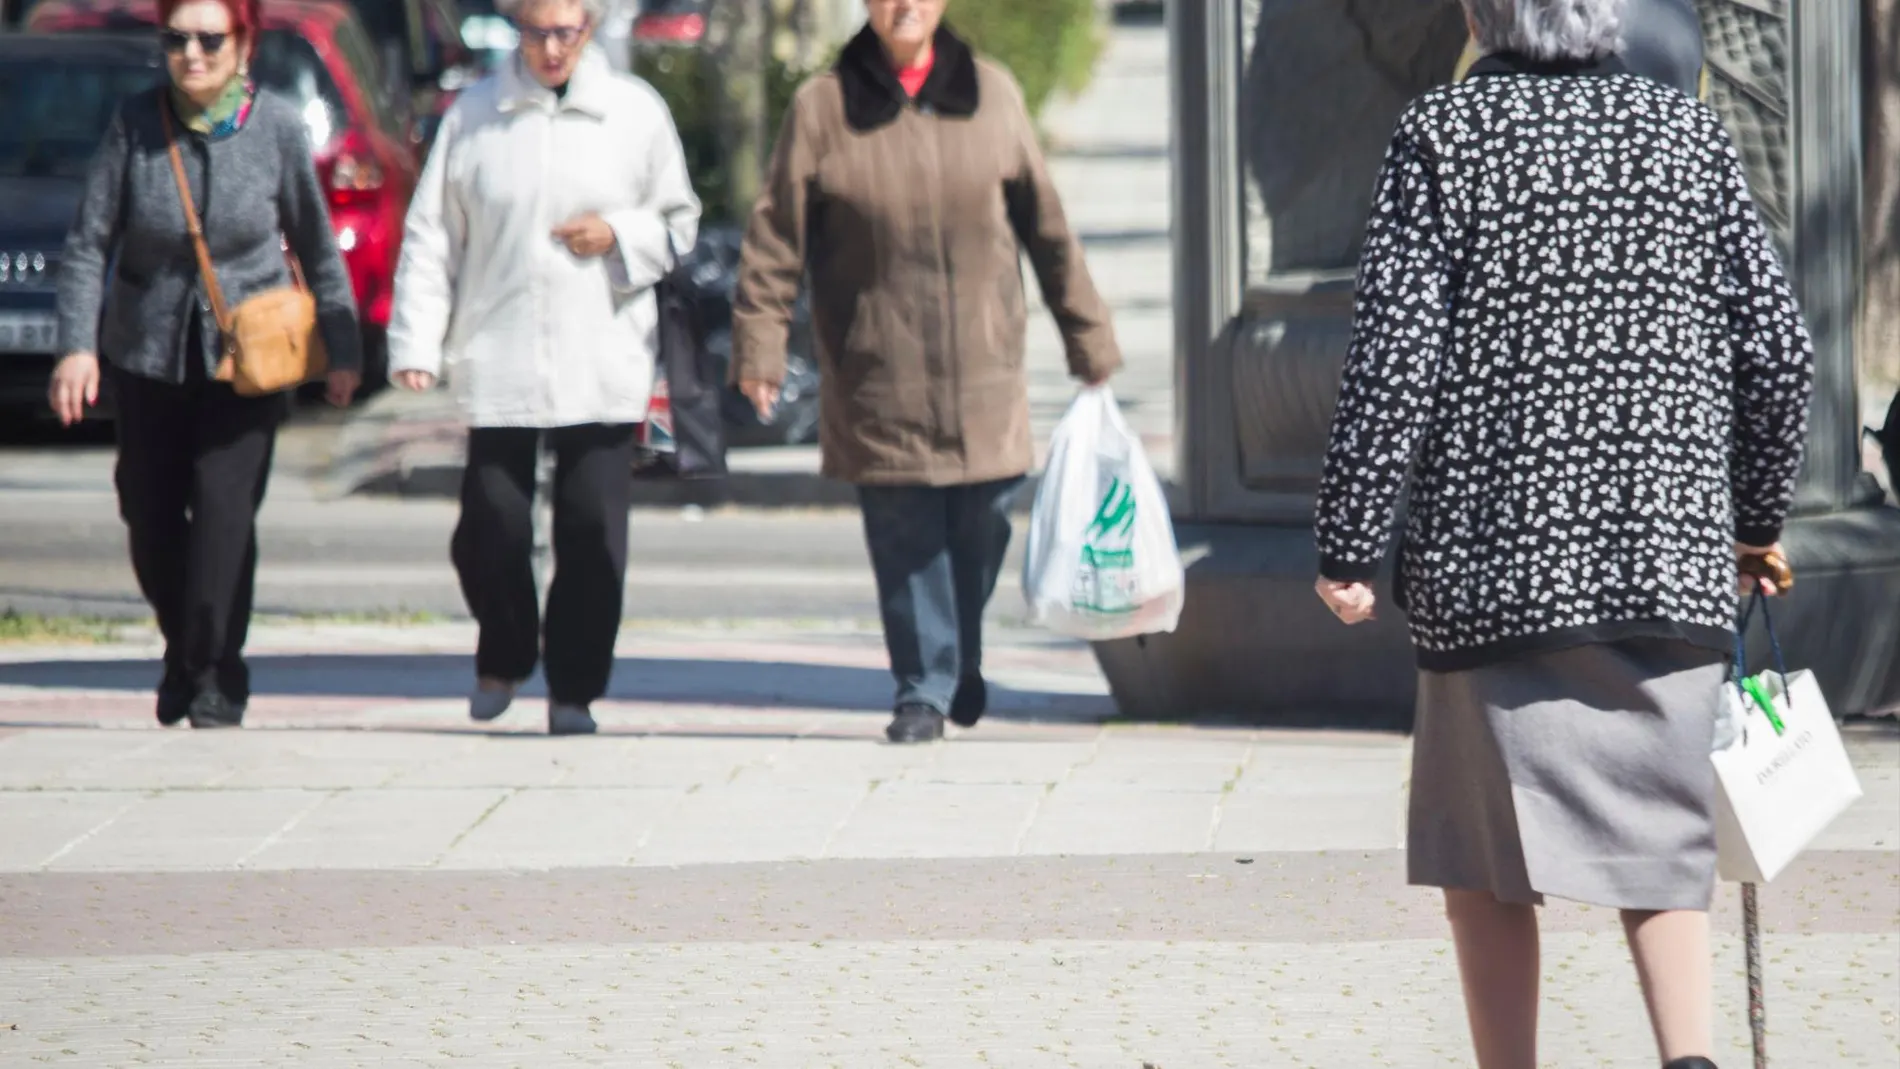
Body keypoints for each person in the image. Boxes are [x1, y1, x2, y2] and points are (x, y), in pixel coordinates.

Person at [1313, 2, 1814, 1067]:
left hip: (1492, 572)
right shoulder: (1684, 133)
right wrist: (1750, 521)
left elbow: (1393, 356)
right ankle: (1689, 1057)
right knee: (1665, 848)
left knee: (1485, 861)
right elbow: (1776, 351)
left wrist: (1350, 543)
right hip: (1665, 563)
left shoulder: (1443, 135)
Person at [732, 0, 1121, 744]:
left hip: (984, 369)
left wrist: (1089, 341)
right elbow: (775, 235)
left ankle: (959, 656)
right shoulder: (823, 107)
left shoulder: (993, 93)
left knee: (982, 525)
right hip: (878, 367)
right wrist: (760, 345)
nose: (904, 4)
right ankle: (921, 687)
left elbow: (1048, 229)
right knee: (905, 531)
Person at [386, 0, 699, 736]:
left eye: (566, 32)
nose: (551, 48)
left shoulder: (633, 111)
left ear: (589, 29)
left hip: (603, 354)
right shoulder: (477, 116)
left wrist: (617, 232)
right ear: (515, 29)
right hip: (499, 351)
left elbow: (679, 222)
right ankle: (505, 649)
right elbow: (432, 235)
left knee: (591, 531)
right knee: (491, 523)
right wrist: (415, 344)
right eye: (536, 32)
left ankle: (575, 687)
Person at [51, 0, 362, 729]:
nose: (192, 54)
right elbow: (89, 242)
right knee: (149, 511)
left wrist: (345, 351)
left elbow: (317, 245)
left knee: (224, 517)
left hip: (249, 360)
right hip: (146, 353)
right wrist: (76, 346)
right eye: (177, 39)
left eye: (210, 39)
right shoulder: (135, 125)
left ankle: (214, 672)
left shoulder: (278, 127)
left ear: (244, 44)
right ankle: (189, 648)